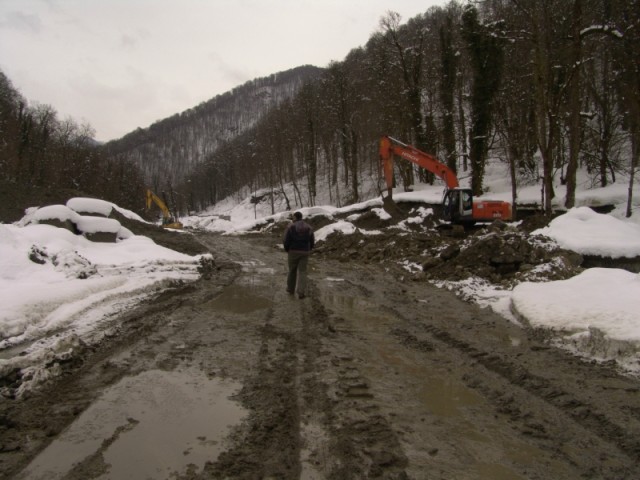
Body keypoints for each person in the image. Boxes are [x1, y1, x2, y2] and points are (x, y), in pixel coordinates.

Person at [283, 211, 315, 299]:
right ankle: (301, 292)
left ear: (295, 218)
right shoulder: (308, 227)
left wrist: (287, 249)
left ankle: (290, 289)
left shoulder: (290, 227)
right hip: (304, 252)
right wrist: (309, 249)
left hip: (293, 251)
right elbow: (312, 240)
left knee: (292, 270)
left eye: (293, 217)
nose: (292, 219)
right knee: (302, 272)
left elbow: (286, 239)